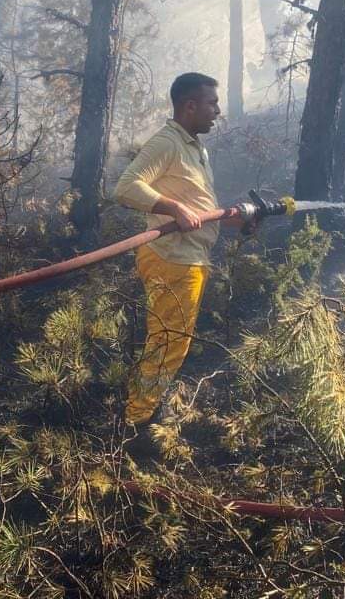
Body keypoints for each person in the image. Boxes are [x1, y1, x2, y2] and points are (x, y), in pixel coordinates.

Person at [113, 72, 221, 425]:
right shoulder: (168, 143)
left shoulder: (194, 146)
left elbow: (197, 202)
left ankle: (143, 409)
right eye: (211, 103)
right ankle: (136, 421)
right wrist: (174, 208)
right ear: (190, 106)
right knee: (168, 343)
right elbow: (126, 188)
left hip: (189, 257)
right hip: (173, 258)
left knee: (171, 341)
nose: (217, 110)